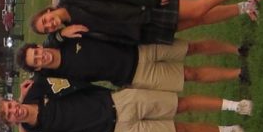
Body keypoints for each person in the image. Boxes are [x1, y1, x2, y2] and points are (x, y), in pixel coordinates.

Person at [0, 85, 252, 132]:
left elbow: (65, 71)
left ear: (12, 100)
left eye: (10, 106)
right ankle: (230, 131)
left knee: (178, 105)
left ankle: (234, 105)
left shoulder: (37, 89)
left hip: (116, 102)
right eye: (10, 116)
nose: (14, 111)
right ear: (11, 123)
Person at [30, 0, 263, 45]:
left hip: (145, 7)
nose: (50, 24)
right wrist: (61, 34)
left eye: (46, 19)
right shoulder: (71, 29)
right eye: (47, 28)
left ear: (48, 10)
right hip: (143, 30)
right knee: (198, 20)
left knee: (200, 6)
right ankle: (244, 7)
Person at [15, 37, 249, 90]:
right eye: (36, 61)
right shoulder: (62, 78)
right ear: (37, 67)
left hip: (140, 47)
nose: (40, 57)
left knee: (191, 47)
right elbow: (40, 89)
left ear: (39, 47)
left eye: (36, 52)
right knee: (189, 74)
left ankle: (237, 49)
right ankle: (238, 73)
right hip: (136, 75)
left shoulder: (64, 37)